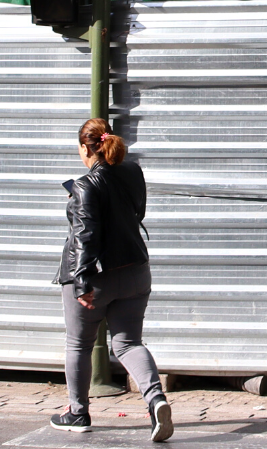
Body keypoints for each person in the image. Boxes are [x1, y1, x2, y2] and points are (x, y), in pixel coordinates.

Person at [53, 118, 173, 441]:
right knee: (129, 343)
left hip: (97, 278)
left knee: (79, 344)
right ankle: (156, 401)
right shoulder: (132, 172)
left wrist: (81, 281)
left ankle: (78, 412)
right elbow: (137, 213)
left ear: (85, 148)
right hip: (135, 271)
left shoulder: (84, 186)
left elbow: (85, 235)